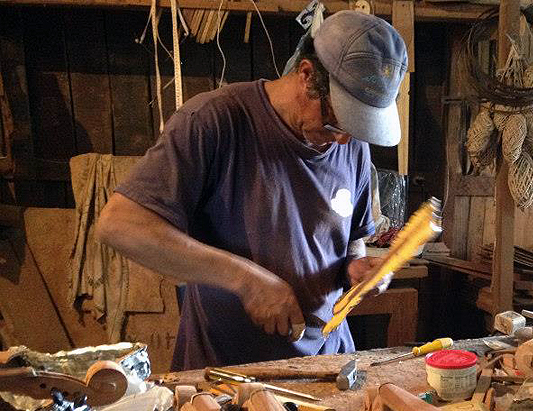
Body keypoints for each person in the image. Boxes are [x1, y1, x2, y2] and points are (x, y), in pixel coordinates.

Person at [96, 11, 408, 370]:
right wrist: (247, 281)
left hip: (327, 364)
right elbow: (119, 225)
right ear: (307, 76)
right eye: (336, 120)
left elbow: (352, 236)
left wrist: (357, 266)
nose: (343, 138)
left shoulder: (351, 145)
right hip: (226, 372)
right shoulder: (214, 121)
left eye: (357, 126)